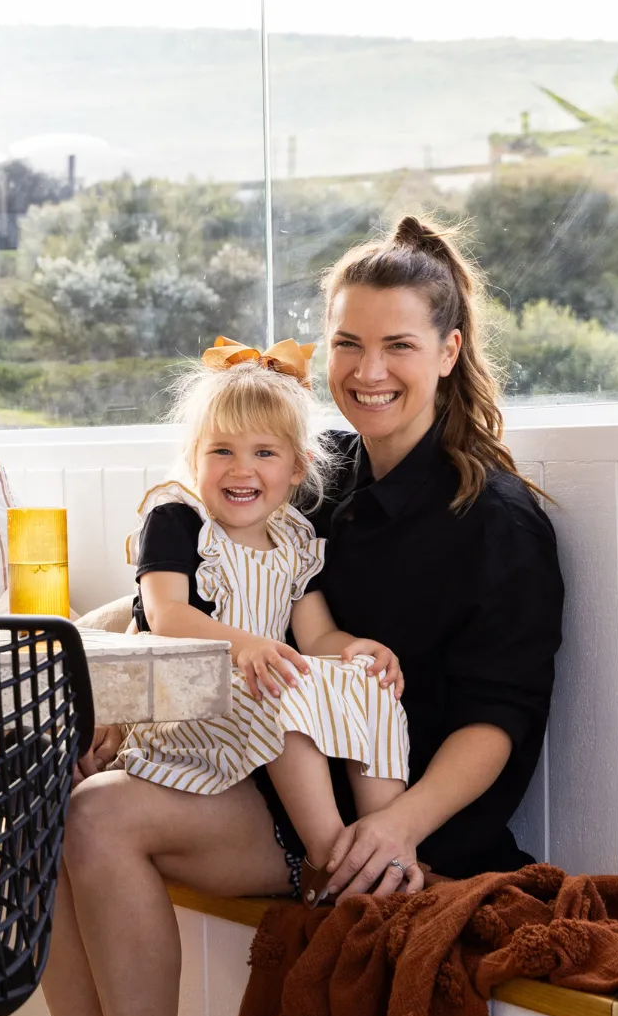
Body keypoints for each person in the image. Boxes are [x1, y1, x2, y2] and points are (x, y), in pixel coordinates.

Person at [20, 216, 563, 1016]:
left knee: (98, 821)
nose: (368, 372)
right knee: (49, 794)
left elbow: (501, 721)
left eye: (399, 345)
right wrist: (114, 689)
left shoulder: (497, 520)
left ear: (449, 350)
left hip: (395, 813)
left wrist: (391, 829)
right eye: (348, 345)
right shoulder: (314, 481)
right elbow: (189, 589)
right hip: (260, 764)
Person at [118, 339, 410, 908]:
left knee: (368, 685)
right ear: (195, 456)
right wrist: (246, 646)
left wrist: (358, 650)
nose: (241, 469)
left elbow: (318, 636)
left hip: (254, 689)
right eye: (221, 451)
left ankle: (388, 855)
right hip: (186, 698)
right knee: (277, 686)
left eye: (264, 454)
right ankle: (334, 865)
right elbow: (165, 614)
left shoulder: (294, 539)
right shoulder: (177, 518)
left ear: (297, 466)